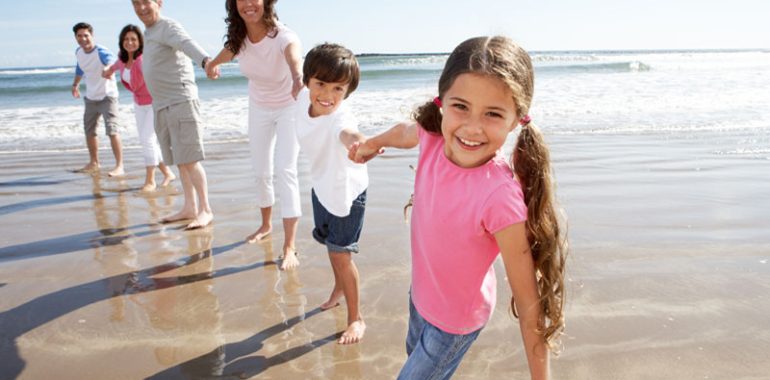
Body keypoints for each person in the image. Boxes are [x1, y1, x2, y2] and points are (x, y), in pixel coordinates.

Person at [350, 36, 567, 378]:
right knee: (414, 357)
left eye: (493, 114)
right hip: (420, 297)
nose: (472, 127)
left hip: (455, 322)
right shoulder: (433, 139)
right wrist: (371, 144)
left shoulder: (500, 197)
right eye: (460, 106)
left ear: (516, 120)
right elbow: (407, 132)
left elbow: (529, 305)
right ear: (441, 102)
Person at [205, 0, 303, 270]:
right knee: (261, 171)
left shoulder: (283, 35)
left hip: (288, 107)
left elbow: (293, 56)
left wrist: (297, 77)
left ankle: (290, 245)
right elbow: (229, 51)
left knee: (285, 170)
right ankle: (266, 224)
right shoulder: (239, 38)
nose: (249, 4)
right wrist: (213, 63)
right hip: (259, 108)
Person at [295, 43, 368, 344]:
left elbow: (349, 133)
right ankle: (338, 290)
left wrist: (361, 143)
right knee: (330, 246)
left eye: (338, 89)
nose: (327, 95)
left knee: (341, 253)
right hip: (321, 186)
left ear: (348, 91)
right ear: (307, 81)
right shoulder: (302, 98)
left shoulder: (340, 118)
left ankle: (356, 319)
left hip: (346, 194)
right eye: (320, 84)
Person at [131, 0, 213, 230]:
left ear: (159, 2)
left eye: (145, 2)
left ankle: (205, 209)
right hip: (162, 105)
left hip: (180, 101)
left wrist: (205, 61)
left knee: (190, 158)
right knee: (179, 160)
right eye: (135, 3)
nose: (141, 8)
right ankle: (189, 206)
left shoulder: (168, 26)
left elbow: (187, 43)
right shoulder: (149, 32)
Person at [103, 24, 176, 192]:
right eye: (126, 39)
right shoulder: (122, 59)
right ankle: (167, 173)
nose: (130, 42)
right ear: (121, 42)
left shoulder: (142, 60)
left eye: (133, 39)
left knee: (147, 140)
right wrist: (107, 71)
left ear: (140, 41)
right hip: (138, 104)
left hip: (153, 103)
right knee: (146, 140)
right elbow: (115, 66)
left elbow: (146, 81)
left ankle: (150, 180)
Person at [71, 22, 125, 176]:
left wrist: (108, 69)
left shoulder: (101, 51)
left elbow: (113, 62)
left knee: (112, 131)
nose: (83, 39)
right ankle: (94, 162)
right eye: (79, 36)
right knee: (89, 131)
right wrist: (75, 84)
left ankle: (119, 166)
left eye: (86, 35)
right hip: (91, 97)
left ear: (91, 35)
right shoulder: (79, 52)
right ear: (76, 37)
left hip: (108, 96)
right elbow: (80, 67)